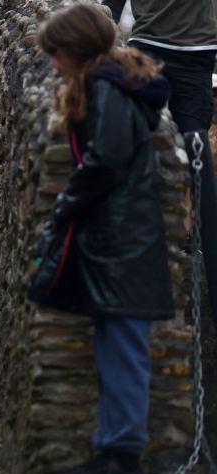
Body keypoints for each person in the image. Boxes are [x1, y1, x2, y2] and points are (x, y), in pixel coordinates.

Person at [34, 5, 173, 474]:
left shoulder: (103, 85)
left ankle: (123, 455)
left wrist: (66, 201)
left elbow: (108, 156)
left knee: (125, 347)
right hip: (123, 232)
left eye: (56, 52)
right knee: (114, 344)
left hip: (124, 235)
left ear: (75, 48)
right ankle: (111, 450)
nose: (53, 63)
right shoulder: (113, 82)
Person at [104, 0, 217, 334]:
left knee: (145, 149)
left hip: (150, 48)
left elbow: (105, 8)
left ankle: (138, 261)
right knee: (197, 152)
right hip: (198, 48)